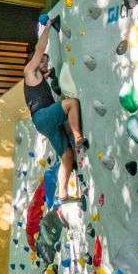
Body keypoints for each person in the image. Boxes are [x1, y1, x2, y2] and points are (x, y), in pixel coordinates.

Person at [23, 18, 87, 204]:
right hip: (43, 117)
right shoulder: (29, 70)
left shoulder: (37, 76)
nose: (44, 62)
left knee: (66, 156)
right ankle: (78, 138)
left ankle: (63, 195)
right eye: (42, 61)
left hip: (44, 122)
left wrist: (48, 74)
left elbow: (43, 73)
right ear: (34, 61)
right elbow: (40, 49)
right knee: (71, 103)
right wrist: (48, 26)